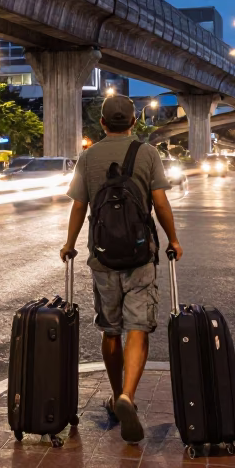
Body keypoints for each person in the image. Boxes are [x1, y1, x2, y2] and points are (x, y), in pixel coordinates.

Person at [61, 94, 182, 444]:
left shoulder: (89, 156)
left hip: (102, 258)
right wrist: (173, 239)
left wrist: (69, 244)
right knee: (138, 327)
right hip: (140, 256)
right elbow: (160, 202)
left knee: (110, 330)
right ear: (133, 123)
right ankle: (129, 394)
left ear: (101, 123)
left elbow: (79, 207)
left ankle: (116, 397)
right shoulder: (147, 153)